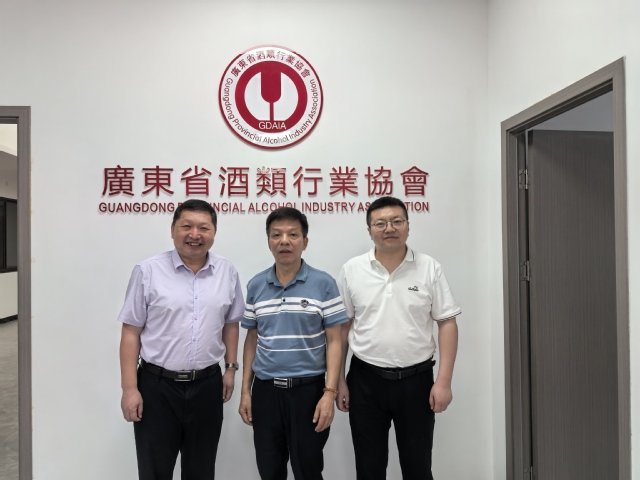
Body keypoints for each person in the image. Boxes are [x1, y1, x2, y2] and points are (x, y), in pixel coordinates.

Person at [118, 199, 244, 480]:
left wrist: (230, 368)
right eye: (186, 226)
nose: (194, 234)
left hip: (207, 386)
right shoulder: (148, 271)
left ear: (214, 232)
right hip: (156, 387)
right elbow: (130, 332)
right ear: (173, 229)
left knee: (201, 470)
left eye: (203, 228)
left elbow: (231, 323)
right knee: (154, 470)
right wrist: (129, 388)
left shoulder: (227, 271)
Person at [337, 196, 461, 480]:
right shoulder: (352, 270)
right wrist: (339, 381)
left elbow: (447, 323)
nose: (389, 228)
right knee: (369, 469)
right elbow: (342, 328)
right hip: (365, 381)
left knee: (418, 468)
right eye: (380, 223)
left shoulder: (429, 267)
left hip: (417, 382)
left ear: (408, 225)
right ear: (369, 231)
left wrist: (444, 382)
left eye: (396, 221)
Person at [239, 207, 348, 480]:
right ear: (268, 242)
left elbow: (335, 340)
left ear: (305, 241)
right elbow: (251, 339)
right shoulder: (256, 285)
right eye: (276, 235)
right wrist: (245, 392)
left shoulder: (324, 283)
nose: (284, 241)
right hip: (265, 392)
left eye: (293, 235)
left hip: (308, 392)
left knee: (308, 470)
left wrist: (329, 393)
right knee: (269, 469)